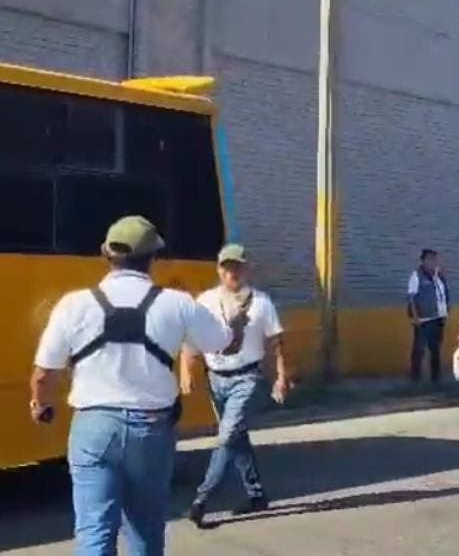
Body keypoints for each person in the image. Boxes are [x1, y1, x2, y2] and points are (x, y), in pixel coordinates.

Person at [29, 216, 231, 556]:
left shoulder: (73, 304)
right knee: (145, 531)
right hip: (151, 429)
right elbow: (220, 340)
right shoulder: (176, 303)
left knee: (94, 532)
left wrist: (40, 405)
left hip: (94, 427)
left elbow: (43, 375)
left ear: (106, 253)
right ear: (153, 257)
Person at [182, 244, 291, 528]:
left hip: (248, 378)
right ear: (219, 269)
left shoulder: (261, 303)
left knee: (227, 436)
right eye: (227, 266)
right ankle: (257, 495)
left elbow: (277, 343)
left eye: (238, 266)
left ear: (246, 269)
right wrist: (187, 370)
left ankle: (201, 500)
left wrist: (281, 376)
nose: (232, 272)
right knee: (236, 438)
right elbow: (191, 339)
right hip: (216, 378)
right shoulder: (205, 301)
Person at [407, 248, 449, 382]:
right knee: (419, 351)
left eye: (435, 259)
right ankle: (415, 380)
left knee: (435, 351)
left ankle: (435, 380)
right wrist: (415, 317)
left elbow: (443, 295)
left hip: (438, 319)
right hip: (423, 320)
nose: (434, 262)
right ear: (423, 261)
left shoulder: (439, 276)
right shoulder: (417, 275)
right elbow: (411, 298)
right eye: (430, 259)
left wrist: (445, 313)